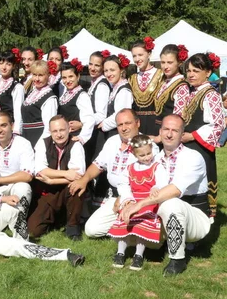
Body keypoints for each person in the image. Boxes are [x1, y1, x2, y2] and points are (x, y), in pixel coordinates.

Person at [120, 115, 211, 276]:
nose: (169, 134)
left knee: (171, 203)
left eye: (175, 130)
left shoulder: (193, 157)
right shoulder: (153, 158)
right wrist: (125, 201)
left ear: (182, 134)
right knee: (96, 228)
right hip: (158, 211)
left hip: (193, 215)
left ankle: (177, 259)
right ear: (160, 132)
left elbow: (174, 190)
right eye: (166, 130)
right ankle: (137, 246)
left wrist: (139, 205)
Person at [70, 109, 159, 238]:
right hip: (115, 198)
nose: (124, 128)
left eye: (128, 123)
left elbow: (149, 181)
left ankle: (132, 228)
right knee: (91, 230)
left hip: (137, 198)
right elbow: (98, 165)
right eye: (120, 125)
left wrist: (123, 197)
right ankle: (123, 228)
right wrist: (84, 180)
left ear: (137, 123)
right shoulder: (112, 141)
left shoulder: (148, 147)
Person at [176, 53, 225, 218]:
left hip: (200, 147)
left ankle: (201, 223)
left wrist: (193, 136)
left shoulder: (210, 94)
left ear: (208, 72)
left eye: (196, 71)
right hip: (186, 146)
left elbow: (217, 124)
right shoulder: (192, 91)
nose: (190, 74)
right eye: (188, 70)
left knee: (199, 185)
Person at [108, 135, 168, 270]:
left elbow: (163, 182)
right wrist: (127, 199)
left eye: (148, 153)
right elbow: (123, 184)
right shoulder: (130, 168)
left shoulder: (157, 167)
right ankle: (120, 252)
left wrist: (156, 187)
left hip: (148, 202)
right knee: (124, 222)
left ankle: (138, 255)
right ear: (135, 154)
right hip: (133, 200)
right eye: (142, 155)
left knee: (141, 226)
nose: (147, 157)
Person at [0, 111, 35, 239]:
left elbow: (27, 175)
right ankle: (9, 223)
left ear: (12, 126)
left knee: (23, 187)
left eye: (3, 125)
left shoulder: (23, 143)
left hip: (14, 186)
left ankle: (20, 232)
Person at [28, 115, 86, 240]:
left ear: (69, 129)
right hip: (48, 191)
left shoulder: (76, 145)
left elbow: (78, 175)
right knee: (33, 230)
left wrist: (51, 180)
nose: (59, 134)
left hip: (67, 189)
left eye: (62, 130)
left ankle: (73, 228)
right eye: (55, 131)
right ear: (50, 132)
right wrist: (65, 174)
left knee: (76, 187)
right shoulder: (43, 143)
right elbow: (40, 170)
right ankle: (57, 219)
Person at [152, 44, 189, 140]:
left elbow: (178, 117)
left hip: (169, 134)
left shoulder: (182, 86)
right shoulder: (163, 81)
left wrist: (162, 137)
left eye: (170, 62)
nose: (165, 66)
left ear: (179, 63)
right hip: (157, 129)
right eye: (163, 62)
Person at [129, 38, 164, 135]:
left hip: (156, 124)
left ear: (149, 54)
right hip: (137, 124)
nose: (137, 59)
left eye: (140, 55)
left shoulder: (161, 75)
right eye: (134, 56)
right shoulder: (131, 78)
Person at [20, 60, 58, 146]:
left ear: (48, 76)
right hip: (26, 138)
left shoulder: (49, 98)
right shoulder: (31, 93)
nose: (37, 79)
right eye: (34, 75)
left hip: (38, 140)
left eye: (40, 75)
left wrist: (40, 148)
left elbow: (49, 128)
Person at [58, 59, 94, 144]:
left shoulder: (82, 96)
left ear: (77, 76)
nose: (67, 80)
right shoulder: (66, 94)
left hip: (74, 139)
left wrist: (81, 138)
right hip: (65, 138)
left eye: (71, 76)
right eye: (64, 77)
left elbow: (89, 120)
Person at [99, 55, 133, 139]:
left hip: (119, 135)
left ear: (121, 70)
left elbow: (120, 116)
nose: (108, 74)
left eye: (112, 70)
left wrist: (102, 124)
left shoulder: (124, 91)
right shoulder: (115, 88)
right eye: (106, 71)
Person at [86, 51, 110, 164]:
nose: (92, 68)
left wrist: (84, 123)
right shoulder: (94, 83)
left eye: (97, 65)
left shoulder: (102, 85)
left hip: (97, 133)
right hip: (92, 130)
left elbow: (101, 115)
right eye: (91, 64)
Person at [0, 50, 24, 134]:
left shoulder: (17, 87)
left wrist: (16, 132)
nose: (4, 67)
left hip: (8, 128)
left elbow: (18, 113)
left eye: (8, 64)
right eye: (1, 63)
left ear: (13, 66)